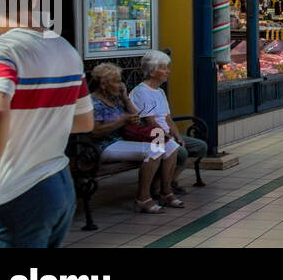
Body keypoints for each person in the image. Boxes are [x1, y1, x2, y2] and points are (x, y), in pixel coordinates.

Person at [0, 0, 93, 248]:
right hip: (59, 187)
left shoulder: (1, 50)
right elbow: (84, 121)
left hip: (18, 192)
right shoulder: (62, 47)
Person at [88, 62, 180, 213]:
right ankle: (143, 199)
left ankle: (166, 192)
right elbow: (95, 131)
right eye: (116, 81)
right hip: (103, 145)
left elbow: (135, 115)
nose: (120, 85)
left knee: (170, 146)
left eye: (120, 81)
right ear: (103, 84)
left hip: (121, 140)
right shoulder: (94, 102)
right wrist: (121, 121)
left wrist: (125, 98)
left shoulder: (115, 98)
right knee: (155, 150)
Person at [130, 50, 207, 192]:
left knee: (200, 147)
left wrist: (177, 136)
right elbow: (150, 122)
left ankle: (171, 181)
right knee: (181, 152)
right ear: (152, 72)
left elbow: (167, 118)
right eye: (164, 68)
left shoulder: (160, 91)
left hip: (166, 134)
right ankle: (158, 186)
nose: (168, 72)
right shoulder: (141, 92)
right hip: (153, 136)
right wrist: (169, 138)